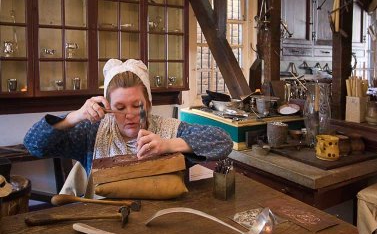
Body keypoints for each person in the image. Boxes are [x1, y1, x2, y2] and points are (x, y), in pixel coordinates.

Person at [24, 59, 233, 195]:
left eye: (137, 105)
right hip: (103, 227)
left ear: (149, 104)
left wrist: (168, 145)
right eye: (120, 107)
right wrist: (76, 116)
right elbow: (34, 145)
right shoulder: (93, 133)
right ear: (107, 108)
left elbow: (223, 142)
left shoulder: (169, 130)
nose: (130, 115)